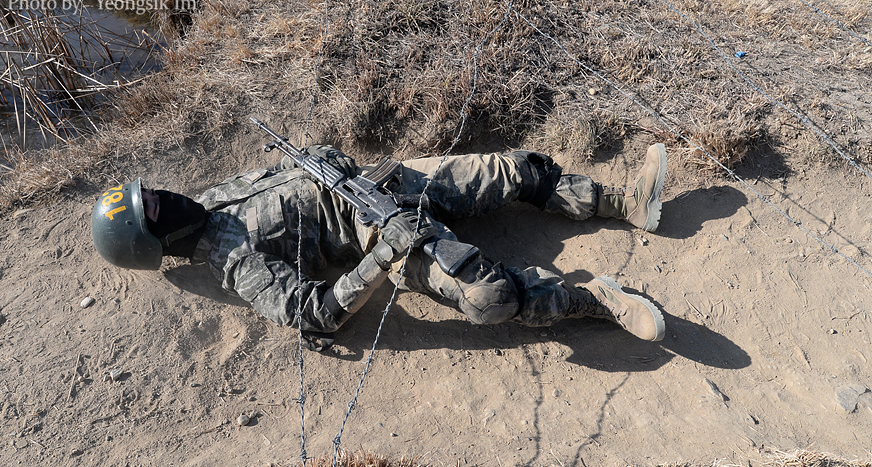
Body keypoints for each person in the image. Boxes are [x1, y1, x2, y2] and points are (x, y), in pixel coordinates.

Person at [91, 142, 668, 351]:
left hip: (382, 180)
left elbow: (278, 179)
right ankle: (598, 300)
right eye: (156, 208)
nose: (166, 195)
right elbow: (316, 316)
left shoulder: (207, 198)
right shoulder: (233, 264)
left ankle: (624, 203)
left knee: (511, 169)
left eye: (154, 191)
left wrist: (321, 160)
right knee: (488, 297)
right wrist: (383, 254)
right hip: (379, 230)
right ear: (156, 243)